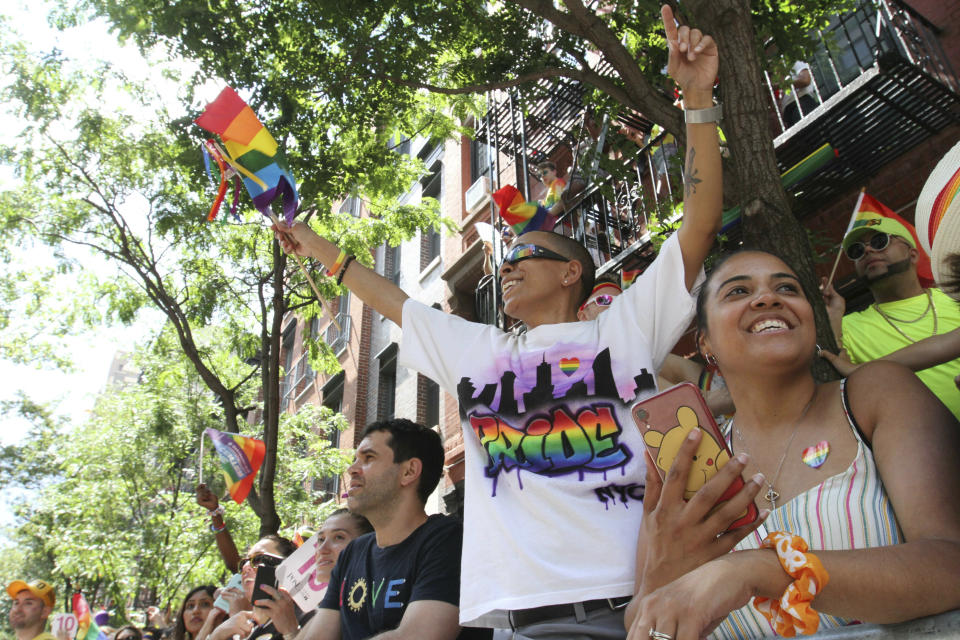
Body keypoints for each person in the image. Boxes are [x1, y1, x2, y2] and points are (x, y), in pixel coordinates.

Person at [276, 7, 722, 637]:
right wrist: (313, 243)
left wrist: (697, 100)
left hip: (631, 606)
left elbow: (699, 224)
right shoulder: (478, 350)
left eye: (525, 256)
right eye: (505, 260)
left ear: (572, 274)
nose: (507, 268)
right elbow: (390, 299)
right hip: (514, 620)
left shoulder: (622, 330)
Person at [624, 249, 960, 640]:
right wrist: (661, 579)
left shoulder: (876, 394)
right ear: (705, 344)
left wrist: (759, 570)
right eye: (737, 292)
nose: (767, 298)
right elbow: (639, 623)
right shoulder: (687, 463)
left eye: (787, 288)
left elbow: (950, 561)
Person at [297, 418, 483, 639]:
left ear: (409, 471)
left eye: (368, 458)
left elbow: (416, 636)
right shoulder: (352, 553)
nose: (351, 469)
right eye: (355, 459)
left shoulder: (450, 540)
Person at [821, 215, 960, 420]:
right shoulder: (845, 325)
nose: (868, 251)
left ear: (912, 254)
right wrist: (831, 319)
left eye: (880, 241)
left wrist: (859, 370)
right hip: (928, 448)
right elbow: (839, 386)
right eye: (857, 251)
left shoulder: (954, 296)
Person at [251, 509, 372, 636]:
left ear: (366, 545)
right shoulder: (331, 605)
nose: (322, 549)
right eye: (321, 539)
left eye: (339, 537)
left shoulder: (366, 607)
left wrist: (290, 631)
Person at [205, 536, 301, 640]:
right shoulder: (231, 631)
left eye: (257, 559)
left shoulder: (308, 617)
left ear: (287, 566)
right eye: (243, 563)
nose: (246, 567)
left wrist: (291, 633)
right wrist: (217, 635)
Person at [779, 61, 818, 127]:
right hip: (789, 114)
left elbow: (805, 80)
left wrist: (780, 85)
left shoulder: (794, 62)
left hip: (802, 103)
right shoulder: (779, 76)